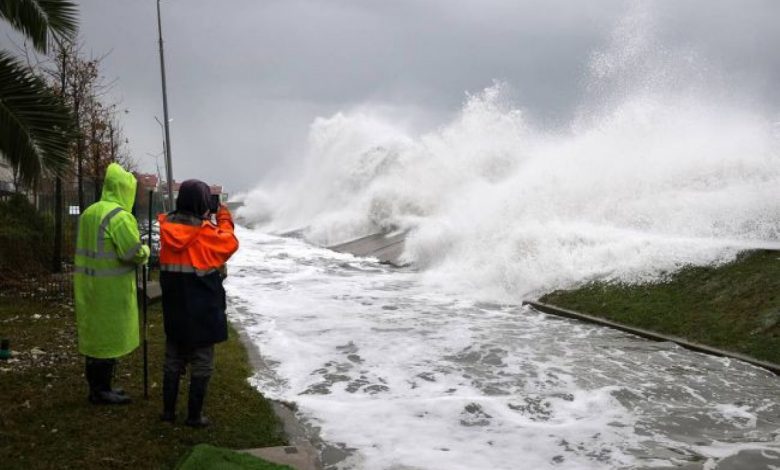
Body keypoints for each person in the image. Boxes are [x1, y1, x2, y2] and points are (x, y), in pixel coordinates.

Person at [158, 180, 238, 427]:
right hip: (202, 311)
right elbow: (230, 242)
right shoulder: (206, 234)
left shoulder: (166, 229)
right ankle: (194, 416)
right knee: (202, 362)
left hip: (174, 309)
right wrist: (223, 216)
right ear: (203, 203)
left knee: (173, 359)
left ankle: (168, 413)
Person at [74, 163, 150, 405]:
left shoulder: (90, 212)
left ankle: (98, 387)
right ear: (124, 190)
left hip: (88, 285)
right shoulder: (119, 217)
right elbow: (133, 253)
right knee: (108, 340)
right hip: (111, 290)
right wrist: (147, 250)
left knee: (95, 338)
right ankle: (101, 391)